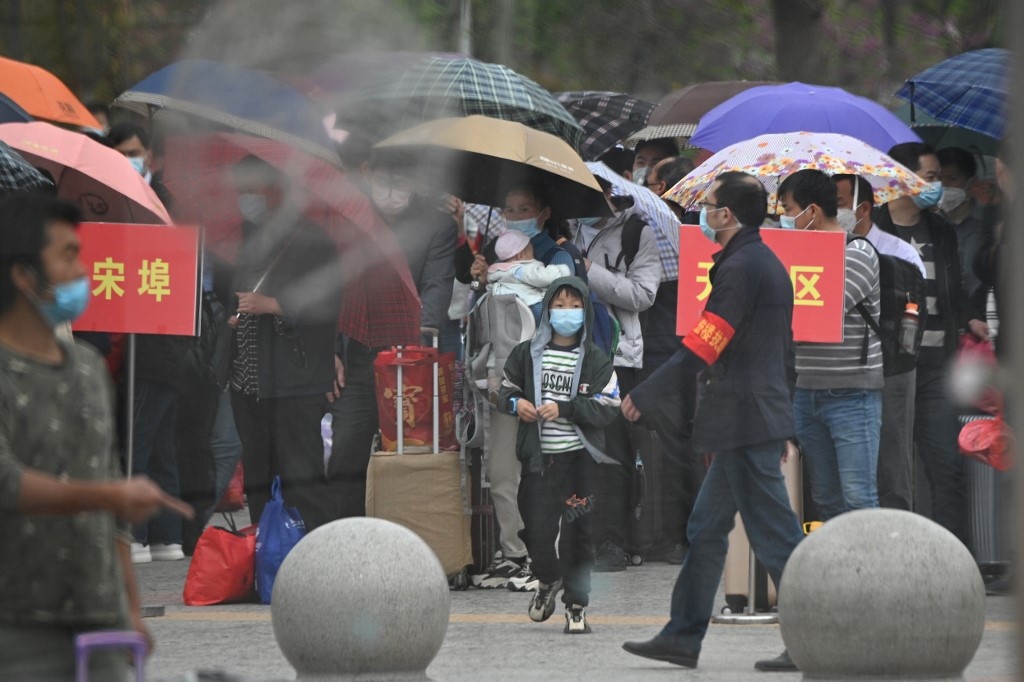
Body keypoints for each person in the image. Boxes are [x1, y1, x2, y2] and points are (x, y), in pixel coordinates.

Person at [0, 193, 193, 679]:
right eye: (67, 255)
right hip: (17, 624)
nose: (83, 270)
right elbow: (6, 482)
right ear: (23, 276)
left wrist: (129, 605)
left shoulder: (87, 368)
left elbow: (113, 505)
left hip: (98, 616)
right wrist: (110, 493)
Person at [620, 171, 804, 672]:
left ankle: (817, 634)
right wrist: (781, 420)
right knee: (705, 529)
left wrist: (646, 392)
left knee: (777, 536)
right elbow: (783, 354)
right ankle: (682, 636)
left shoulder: (742, 268)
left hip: (746, 420)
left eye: (710, 205)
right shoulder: (756, 262)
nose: (703, 211)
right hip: (748, 419)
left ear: (728, 215)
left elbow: (705, 343)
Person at [464, 182, 574, 591]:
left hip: (547, 382)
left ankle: (549, 553)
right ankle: (514, 552)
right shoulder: (494, 261)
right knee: (501, 469)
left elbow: (570, 318)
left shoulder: (558, 257)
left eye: (523, 208)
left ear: (543, 213)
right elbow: (481, 323)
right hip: (504, 382)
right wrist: (480, 283)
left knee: (545, 468)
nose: (514, 216)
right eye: (508, 210)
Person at [879, 142, 988, 543]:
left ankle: (950, 554)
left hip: (937, 369)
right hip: (890, 370)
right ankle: (891, 552)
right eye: (929, 178)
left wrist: (969, 317)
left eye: (939, 178)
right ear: (900, 178)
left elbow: (953, 287)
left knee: (946, 466)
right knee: (890, 471)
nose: (936, 186)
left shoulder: (940, 229)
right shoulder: (872, 230)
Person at [497, 276, 619, 634]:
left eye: (576, 305)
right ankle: (547, 579)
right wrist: (516, 403)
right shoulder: (526, 354)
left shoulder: (596, 360)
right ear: (547, 310)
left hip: (581, 463)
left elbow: (608, 406)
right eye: (559, 305)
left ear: (587, 312)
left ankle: (577, 604)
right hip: (539, 463)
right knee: (535, 532)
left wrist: (566, 409)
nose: (567, 312)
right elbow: (503, 391)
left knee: (578, 534)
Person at [228, 155, 344, 532]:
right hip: (250, 378)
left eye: (253, 188)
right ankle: (266, 552)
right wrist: (236, 314)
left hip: (296, 377)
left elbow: (328, 302)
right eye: (241, 189)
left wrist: (275, 306)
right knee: (259, 472)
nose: (247, 197)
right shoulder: (246, 238)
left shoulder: (312, 239)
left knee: (301, 471)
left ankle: (318, 550)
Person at [779, 169, 883, 519]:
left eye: (788, 208)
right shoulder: (794, 255)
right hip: (806, 391)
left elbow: (819, 312)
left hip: (851, 393)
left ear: (811, 211)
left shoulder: (857, 253)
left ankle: (867, 574)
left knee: (858, 497)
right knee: (824, 498)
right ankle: (835, 574)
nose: (785, 216)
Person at [570, 183, 660, 571]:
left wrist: (588, 270)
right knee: (573, 451)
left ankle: (614, 541)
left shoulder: (637, 233)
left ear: (612, 190)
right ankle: (579, 539)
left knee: (613, 451)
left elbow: (642, 295)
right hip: (569, 358)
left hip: (616, 358)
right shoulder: (566, 226)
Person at [836, 174, 923, 511]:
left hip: (890, 372)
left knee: (891, 461)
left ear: (864, 208)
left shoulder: (899, 253)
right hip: (841, 372)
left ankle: (898, 542)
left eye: (839, 203)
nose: (834, 210)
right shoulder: (822, 251)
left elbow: (914, 319)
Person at [938, 147, 988, 315]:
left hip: (979, 318)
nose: (944, 186)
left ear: (971, 182)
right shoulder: (931, 224)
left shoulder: (986, 226)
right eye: (938, 179)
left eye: (952, 178)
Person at [487, 230, 571, 321]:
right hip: (526, 308)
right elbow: (541, 277)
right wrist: (561, 270)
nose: (534, 255)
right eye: (531, 251)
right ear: (521, 255)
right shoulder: (520, 271)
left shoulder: (498, 271)